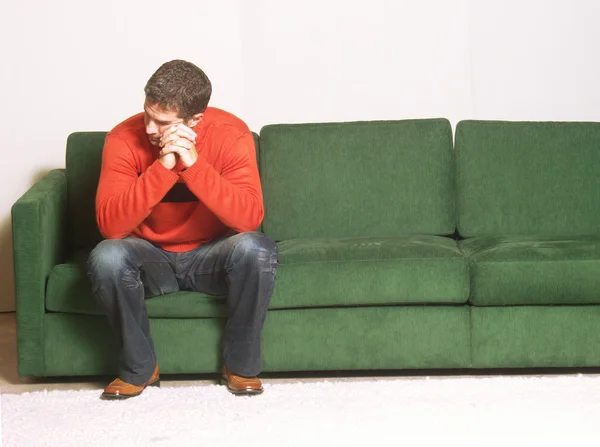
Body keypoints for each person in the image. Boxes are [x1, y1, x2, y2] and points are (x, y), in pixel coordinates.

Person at [87, 59, 279, 400]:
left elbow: (249, 220)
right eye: (147, 114)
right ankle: (139, 370)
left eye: (161, 122)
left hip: (211, 256)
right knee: (107, 257)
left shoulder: (230, 134)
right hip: (150, 259)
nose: (148, 128)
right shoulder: (122, 138)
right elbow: (110, 226)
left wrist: (193, 164)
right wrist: (163, 167)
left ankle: (240, 367)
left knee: (257, 248)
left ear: (195, 121)